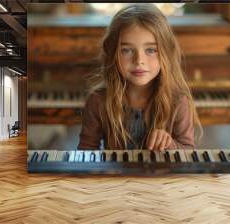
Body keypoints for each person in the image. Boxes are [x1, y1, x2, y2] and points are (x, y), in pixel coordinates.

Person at [78, 4, 202, 151]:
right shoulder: (97, 101)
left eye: (151, 50)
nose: (139, 60)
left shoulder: (178, 102)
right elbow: (86, 151)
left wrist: (169, 144)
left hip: (162, 175)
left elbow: (188, 151)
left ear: (166, 53)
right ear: (112, 53)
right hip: (116, 175)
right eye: (127, 50)